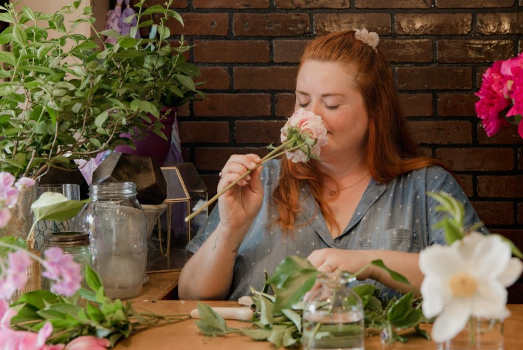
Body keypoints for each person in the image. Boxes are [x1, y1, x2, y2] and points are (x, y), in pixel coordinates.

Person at [178, 29, 484, 301]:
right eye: (302, 101)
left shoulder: (428, 186)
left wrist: (370, 263)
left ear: (375, 110)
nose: (311, 116)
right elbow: (190, 294)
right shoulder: (259, 181)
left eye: (331, 104)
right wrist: (231, 229)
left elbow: (480, 279)